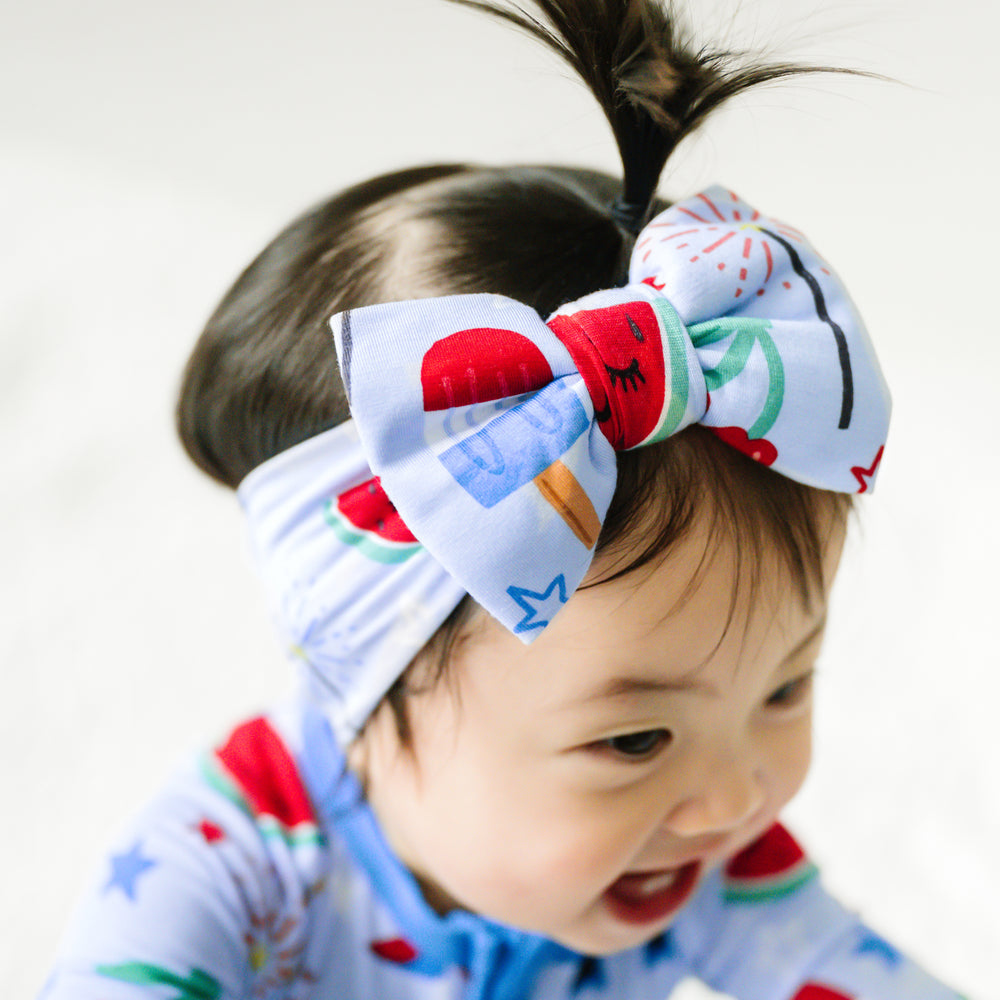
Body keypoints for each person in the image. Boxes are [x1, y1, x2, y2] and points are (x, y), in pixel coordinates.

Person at [40, 2, 965, 998]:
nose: (740, 796)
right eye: (632, 739)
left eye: (784, 686)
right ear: (364, 674)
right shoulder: (224, 866)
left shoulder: (701, 863)